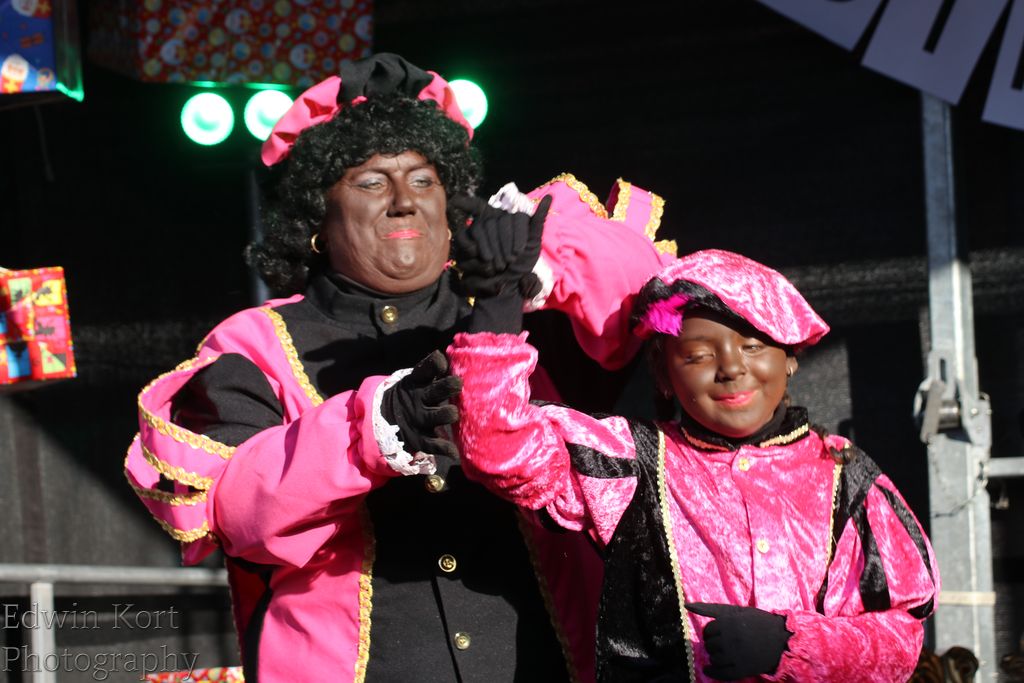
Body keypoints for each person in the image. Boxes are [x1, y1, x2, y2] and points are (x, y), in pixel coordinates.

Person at [123, 53, 672, 682]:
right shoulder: (254, 344)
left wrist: (535, 272)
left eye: (423, 180)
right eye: (371, 183)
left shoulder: (522, 312)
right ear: (316, 218)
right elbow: (239, 514)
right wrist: (373, 429)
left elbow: (649, 297)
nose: (405, 202)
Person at [447, 249, 940, 682]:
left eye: (753, 346)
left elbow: (901, 642)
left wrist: (790, 645)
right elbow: (498, 449)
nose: (732, 368)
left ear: (789, 357)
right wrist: (497, 301)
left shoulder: (844, 475)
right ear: (663, 376)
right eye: (699, 355)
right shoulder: (631, 461)